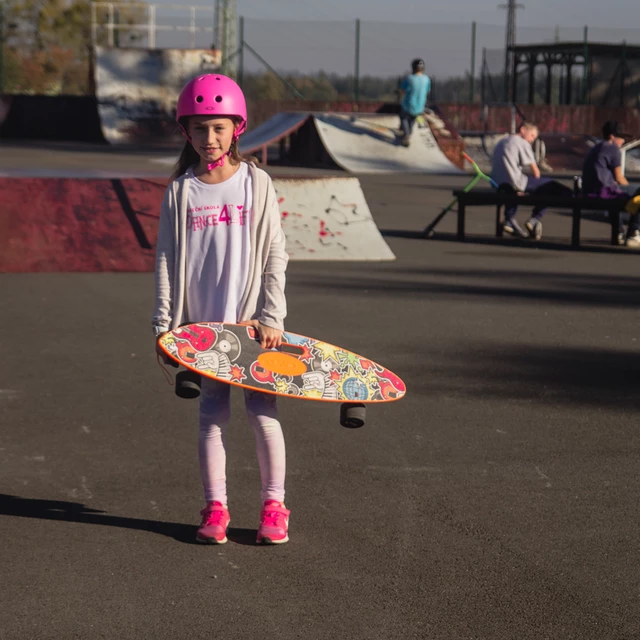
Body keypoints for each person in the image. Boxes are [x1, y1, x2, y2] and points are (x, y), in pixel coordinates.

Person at [152, 74, 290, 545]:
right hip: (202, 331)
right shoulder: (181, 192)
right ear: (185, 132)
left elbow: (275, 253)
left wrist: (272, 315)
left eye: (217, 128)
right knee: (211, 415)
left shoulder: (257, 183)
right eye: (198, 129)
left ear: (237, 128)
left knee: (262, 413)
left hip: (251, 327)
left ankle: (275, 505)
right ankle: (216, 507)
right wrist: (165, 326)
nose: (208, 139)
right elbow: (167, 260)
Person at [491, 121, 572, 240]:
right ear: (523, 130)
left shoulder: (502, 141)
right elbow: (536, 172)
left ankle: (509, 220)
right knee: (550, 186)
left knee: (514, 188)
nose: (532, 140)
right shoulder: (521, 142)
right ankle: (534, 219)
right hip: (514, 183)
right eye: (532, 135)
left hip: (498, 183)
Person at [581, 120, 640, 248]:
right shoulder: (613, 149)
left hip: (588, 191)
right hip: (602, 192)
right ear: (612, 136)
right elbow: (619, 178)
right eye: (621, 138)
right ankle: (634, 232)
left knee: (616, 193)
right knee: (638, 194)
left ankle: (618, 232)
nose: (623, 142)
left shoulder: (597, 147)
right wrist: (634, 190)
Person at [398, 58, 431, 147]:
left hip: (408, 105)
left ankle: (406, 135)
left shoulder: (409, 78)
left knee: (404, 117)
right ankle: (409, 133)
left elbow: (402, 90)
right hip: (420, 107)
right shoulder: (426, 79)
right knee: (412, 119)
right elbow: (427, 91)